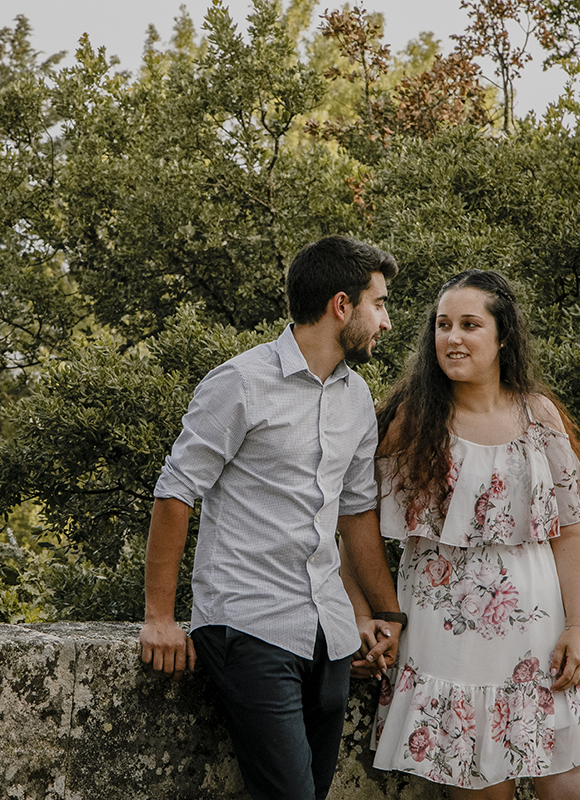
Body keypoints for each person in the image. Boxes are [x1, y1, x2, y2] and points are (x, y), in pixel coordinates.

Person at [345, 269, 580, 799]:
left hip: (545, 639)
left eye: (470, 324)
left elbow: (569, 532)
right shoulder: (410, 421)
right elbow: (352, 527)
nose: (452, 338)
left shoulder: (538, 414)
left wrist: (578, 626)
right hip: (449, 651)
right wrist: (363, 614)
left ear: (503, 335)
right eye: (443, 325)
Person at [139, 235, 408, 800]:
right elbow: (176, 492)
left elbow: (356, 514)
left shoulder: (357, 397)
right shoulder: (240, 381)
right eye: (379, 303)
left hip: (329, 635)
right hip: (249, 624)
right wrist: (159, 618)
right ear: (342, 305)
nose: (386, 321)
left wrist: (385, 614)